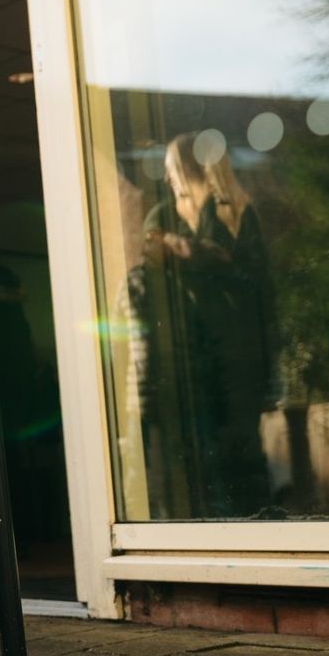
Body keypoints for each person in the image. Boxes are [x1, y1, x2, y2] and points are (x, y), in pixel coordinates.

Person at [128, 131, 277, 518]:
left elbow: (253, 286)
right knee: (203, 473)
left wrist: (180, 248)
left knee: (238, 466)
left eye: (170, 167)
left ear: (185, 168)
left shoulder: (233, 215)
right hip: (194, 367)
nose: (166, 176)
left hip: (231, 364)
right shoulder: (167, 215)